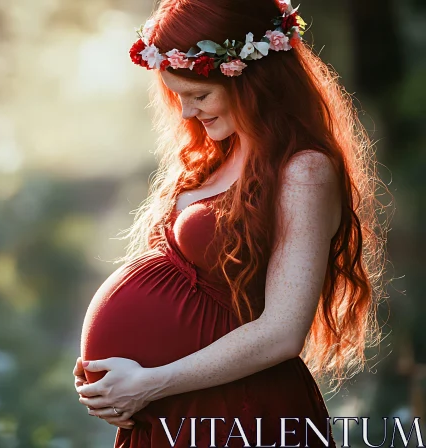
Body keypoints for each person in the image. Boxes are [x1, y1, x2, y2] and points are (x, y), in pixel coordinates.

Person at [74, 0, 390, 446]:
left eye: (199, 96)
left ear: (252, 80)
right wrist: (107, 373)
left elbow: (281, 333)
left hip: (235, 413)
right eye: (177, 96)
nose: (186, 113)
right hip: (169, 410)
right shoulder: (213, 156)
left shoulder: (303, 171)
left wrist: (149, 382)